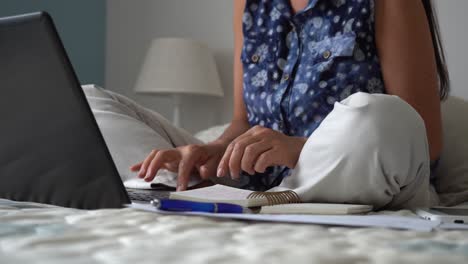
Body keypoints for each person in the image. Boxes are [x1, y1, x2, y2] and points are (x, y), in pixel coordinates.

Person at [130, 0, 449, 209]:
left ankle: (284, 192)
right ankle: (200, 186)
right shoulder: (249, 4)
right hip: (261, 182)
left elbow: (423, 138)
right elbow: (242, 122)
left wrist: (300, 150)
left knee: (376, 115)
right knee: (97, 102)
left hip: (366, 175)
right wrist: (215, 151)